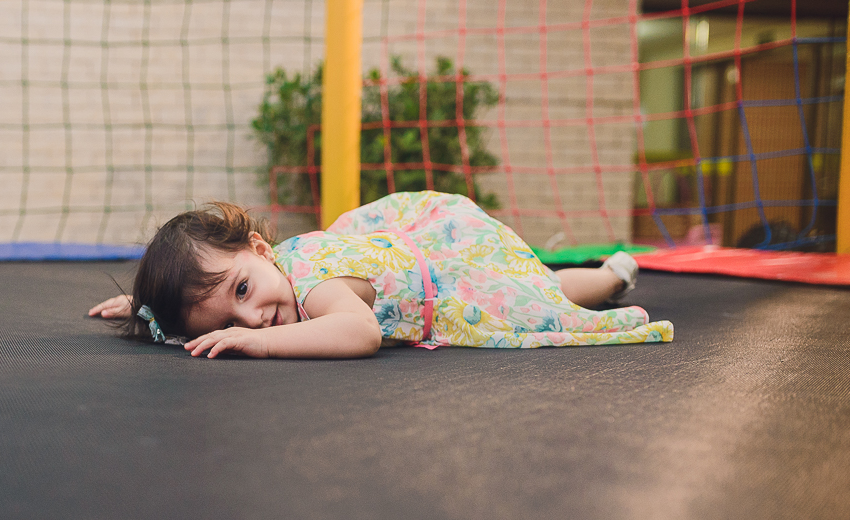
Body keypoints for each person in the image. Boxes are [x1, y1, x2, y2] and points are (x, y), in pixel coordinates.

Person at [88, 191, 672, 358]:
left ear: (262, 250)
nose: (253, 315)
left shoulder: (313, 284)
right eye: (226, 320)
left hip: (448, 271)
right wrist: (150, 312)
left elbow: (361, 332)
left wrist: (258, 343)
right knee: (532, 278)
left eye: (243, 291)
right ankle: (600, 273)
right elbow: (203, 306)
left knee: (544, 290)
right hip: (414, 254)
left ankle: (610, 276)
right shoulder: (272, 275)